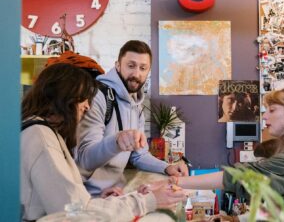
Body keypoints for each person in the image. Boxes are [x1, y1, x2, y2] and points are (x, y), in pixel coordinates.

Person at [21, 63, 186, 221]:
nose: (86, 106)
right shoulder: (41, 137)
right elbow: (77, 214)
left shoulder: (43, 132)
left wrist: (100, 201)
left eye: (143, 68)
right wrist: (147, 201)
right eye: (83, 99)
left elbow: (67, 197)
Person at [158, 86, 284, 221]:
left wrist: (177, 181)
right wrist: (237, 219)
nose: (265, 116)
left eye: (272, 110)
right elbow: (281, 205)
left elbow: (238, 177)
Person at [74, 40, 188, 196]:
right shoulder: (98, 97)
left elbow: (139, 155)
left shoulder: (137, 106)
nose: (136, 74)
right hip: (88, 196)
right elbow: (86, 159)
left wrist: (166, 167)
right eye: (131, 66)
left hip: (114, 193)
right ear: (118, 65)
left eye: (143, 68)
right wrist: (117, 141)